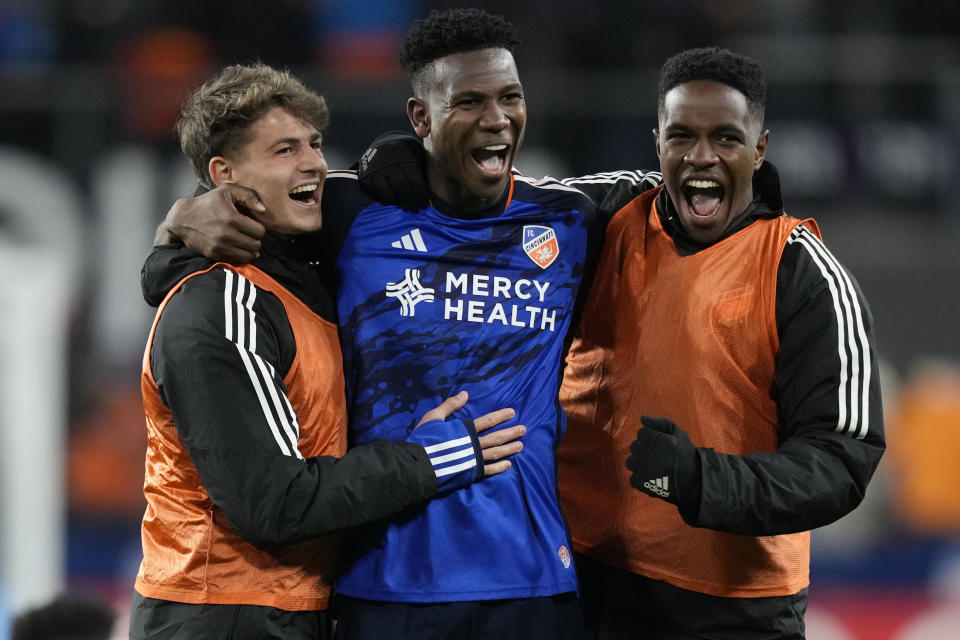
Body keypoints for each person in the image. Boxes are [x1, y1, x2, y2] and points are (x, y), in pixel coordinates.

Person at [143, 9, 663, 639]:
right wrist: (176, 233)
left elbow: (680, 179)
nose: (496, 118)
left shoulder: (572, 216)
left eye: (510, 97)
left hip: (532, 580)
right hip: (381, 581)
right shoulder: (346, 212)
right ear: (422, 118)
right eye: (468, 101)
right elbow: (238, 234)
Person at [131, 62, 525, 640]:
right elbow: (274, 503)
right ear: (225, 175)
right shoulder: (221, 304)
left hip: (287, 607)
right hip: (223, 614)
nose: (314, 162)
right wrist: (435, 458)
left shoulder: (300, 277)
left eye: (313, 143)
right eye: (284, 149)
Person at [557, 47, 886, 639]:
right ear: (656, 142)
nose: (700, 156)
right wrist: (407, 168)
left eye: (726, 138)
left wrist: (705, 483)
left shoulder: (802, 273)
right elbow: (491, 200)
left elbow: (842, 459)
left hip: (730, 612)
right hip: (578, 581)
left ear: (759, 148)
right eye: (681, 135)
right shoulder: (603, 217)